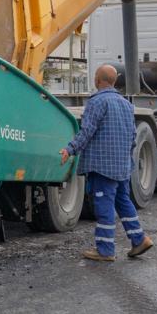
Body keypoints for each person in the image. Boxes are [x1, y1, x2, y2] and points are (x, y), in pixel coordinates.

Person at [59, 63, 151, 263]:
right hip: (122, 166)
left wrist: (70, 149)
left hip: (102, 166)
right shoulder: (127, 105)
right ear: (114, 81)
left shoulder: (97, 102)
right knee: (123, 202)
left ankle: (106, 249)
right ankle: (139, 239)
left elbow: (86, 131)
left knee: (104, 206)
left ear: (97, 80)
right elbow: (133, 137)